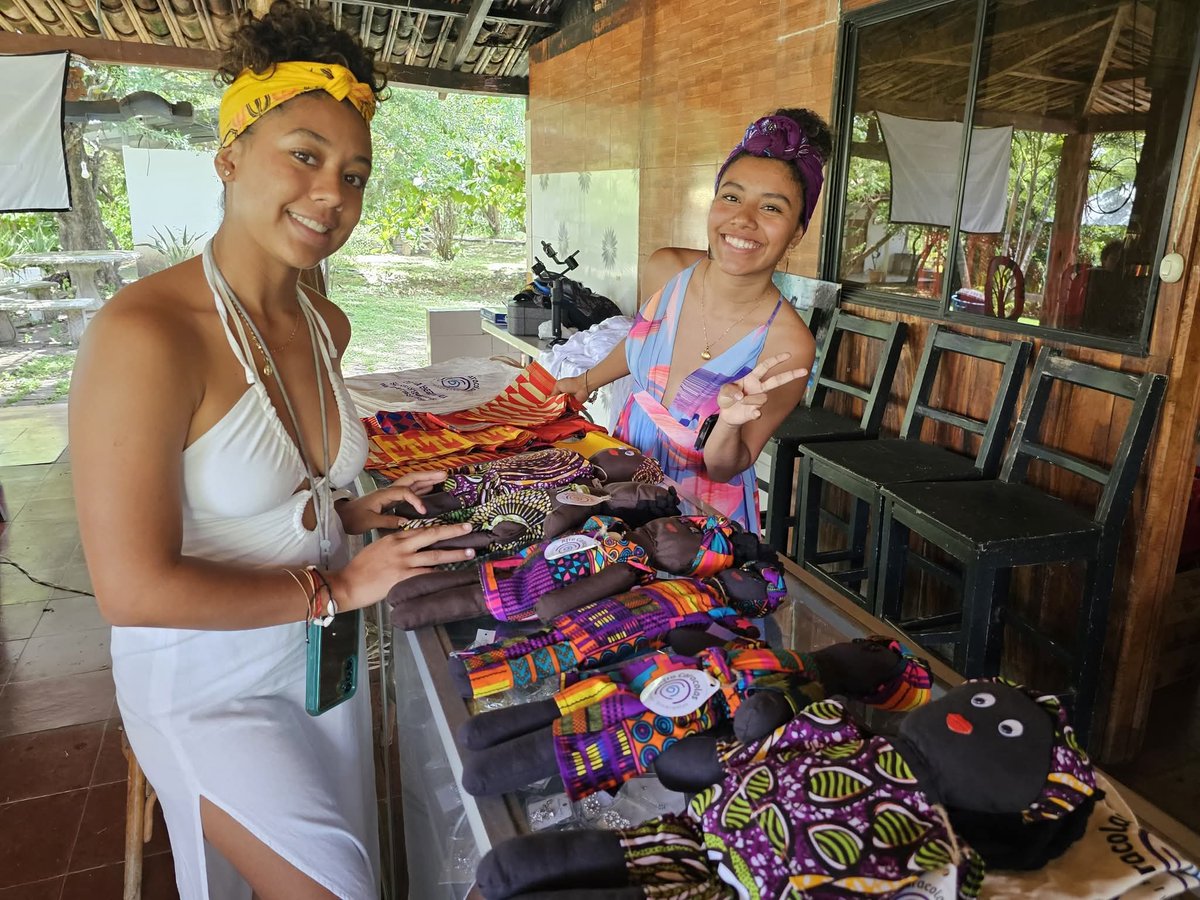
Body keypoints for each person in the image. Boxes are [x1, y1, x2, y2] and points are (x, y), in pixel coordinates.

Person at [69, 4, 478, 897]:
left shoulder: (322, 323)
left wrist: (349, 512)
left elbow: (272, 490)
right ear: (229, 155)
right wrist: (339, 585)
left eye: (355, 174)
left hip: (317, 668)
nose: (332, 194)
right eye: (304, 154)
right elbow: (130, 588)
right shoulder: (146, 333)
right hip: (206, 684)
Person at [555, 109, 830, 531]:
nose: (744, 219)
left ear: (796, 232)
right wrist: (585, 382)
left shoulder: (788, 345)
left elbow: (725, 467)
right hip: (622, 473)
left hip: (698, 517)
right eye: (732, 197)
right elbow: (641, 342)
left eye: (772, 207)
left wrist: (730, 424)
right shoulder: (667, 271)